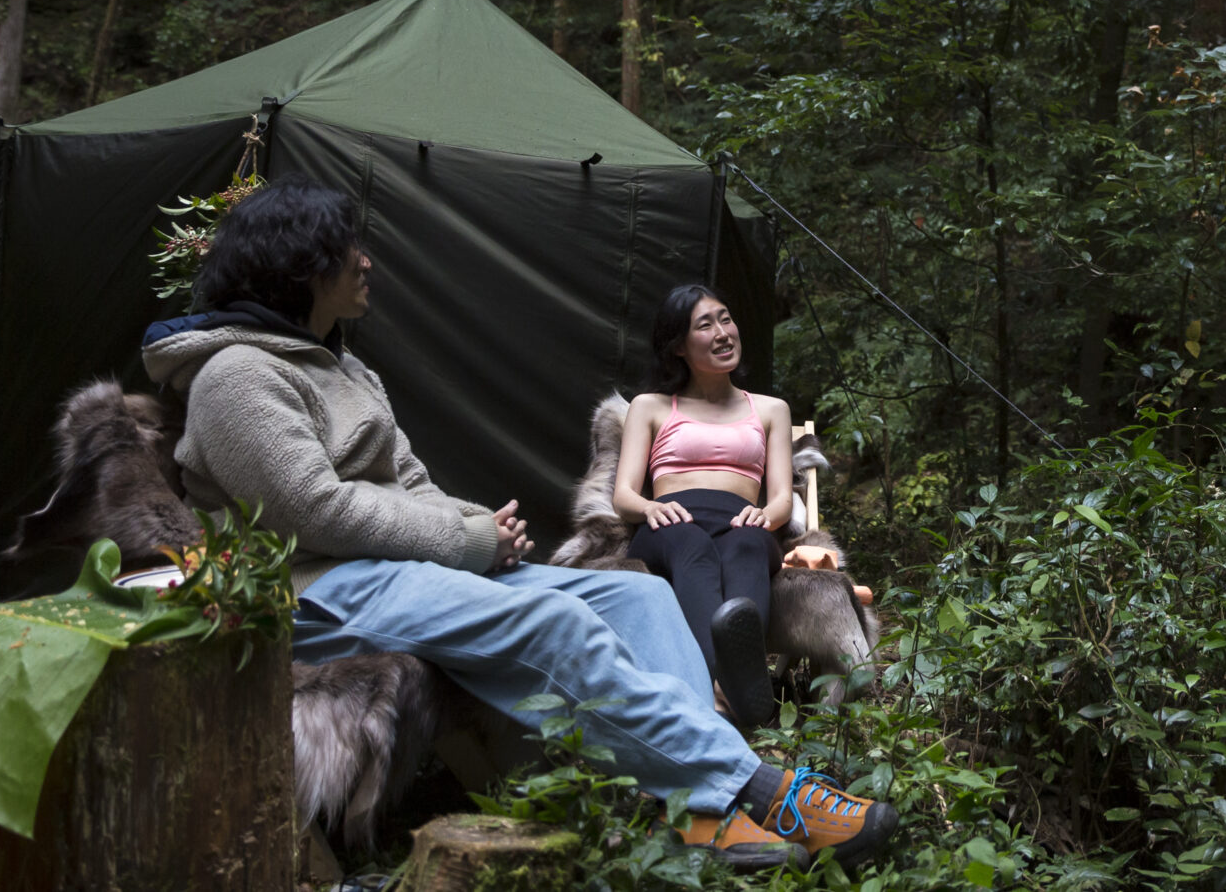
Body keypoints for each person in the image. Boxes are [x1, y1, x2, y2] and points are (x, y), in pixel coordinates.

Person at [138, 175, 897, 871]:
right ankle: (757, 787)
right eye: (351, 248)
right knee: (550, 620)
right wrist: (467, 539)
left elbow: (409, 484)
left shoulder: (345, 370)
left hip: (396, 572)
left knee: (638, 596)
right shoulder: (235, 376)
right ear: (301, 263)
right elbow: (313, 509)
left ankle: (696, 811)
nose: (367, 262)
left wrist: (477, 527)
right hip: (316, 588)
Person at [609, 285, 794, 728]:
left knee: (750, 545)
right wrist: (650, 510)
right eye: (705, 325)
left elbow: (783, 494)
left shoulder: (770, 409)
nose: (723, 332)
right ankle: (729, 686)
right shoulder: (651, 406)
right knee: (692, 546)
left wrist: (767, 516)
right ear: (677, 346)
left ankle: (720, 697)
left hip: (742, 521)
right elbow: (624, 495)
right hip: (672, 522)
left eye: (726, 318)